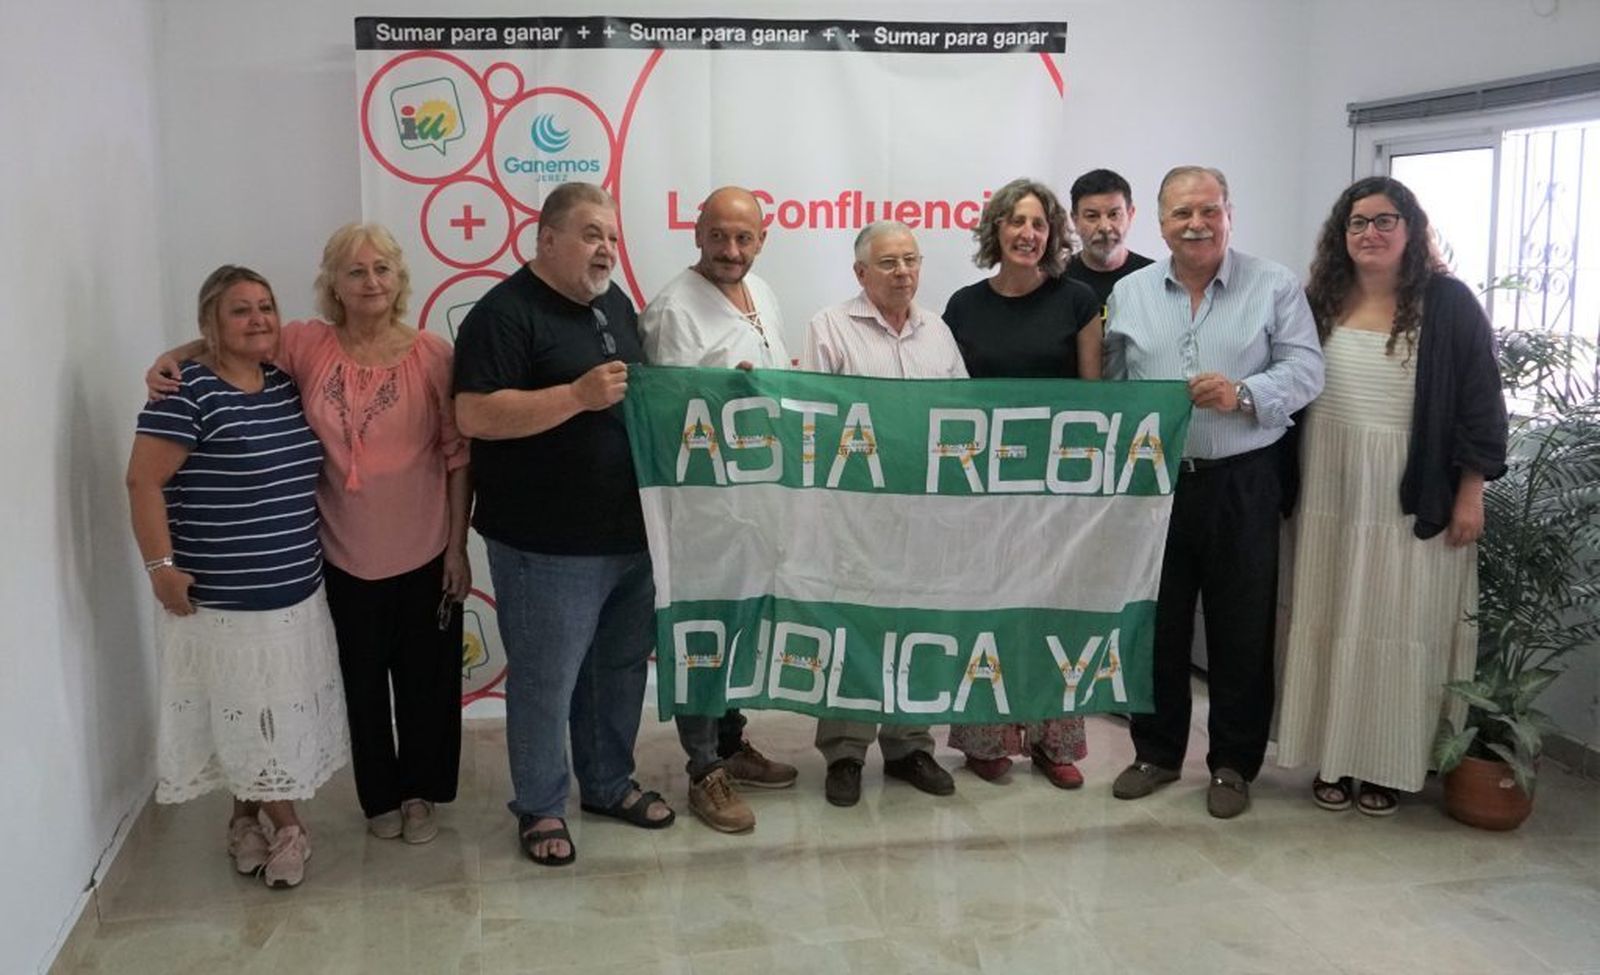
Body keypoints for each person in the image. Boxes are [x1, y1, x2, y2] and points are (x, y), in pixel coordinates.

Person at [146, 225, 471, 846]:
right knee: (359, 683)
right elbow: (239, 343)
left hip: (427, 548)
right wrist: (174, 359)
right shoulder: (305, 343)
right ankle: (378, 794)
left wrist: (457, 548)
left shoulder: (434, 353)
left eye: (382, 269)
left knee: (427, 683)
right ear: (334, 285)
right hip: (338, 554)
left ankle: (419, 793)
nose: (370, 281)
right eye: (355, 271)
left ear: (399, 279)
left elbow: (458, 457)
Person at [453, 181, 673, 866]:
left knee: (616, 673)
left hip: (629, 536)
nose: (605, 246)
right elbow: (475, 415)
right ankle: (543, 806)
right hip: (545, 545)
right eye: (589, 233)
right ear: (546, 239)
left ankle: (607, 782)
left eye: (610, 234)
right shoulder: (504, 314)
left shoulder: (614, 303)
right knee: (546, 682)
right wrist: (575, 397)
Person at [1276, 176, 1508, 815]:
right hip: (1328, 484)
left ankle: (1387, 764)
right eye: (1357, 223)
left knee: (1396, 625)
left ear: (1410, 229)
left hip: (1413, 489)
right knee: (1329, 618)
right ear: (1339, 236)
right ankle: (1333, 754)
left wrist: (1471, 494)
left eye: (1384, 221)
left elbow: (1481, 406)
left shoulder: (1451, 303)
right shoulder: (1317, 299)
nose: (1370, 234)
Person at [1103, 166, 1324, 819]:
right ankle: (1157, 752)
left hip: (1243, 481)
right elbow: (1113, 382)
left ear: (1230, 213)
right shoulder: (1131, 291)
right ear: (1160, 222)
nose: (1195, 224)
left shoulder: (1275, 285)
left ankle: (1232, 763)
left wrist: (1245, 393)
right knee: (1157, 625)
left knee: (1241, 629)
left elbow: (1308, 367)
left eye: (1208, 210)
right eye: (1181, 214)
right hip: (1157, 484)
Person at [127, 265, 349, 889]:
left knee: (253, 713)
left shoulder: (281, 384)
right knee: (255, 712)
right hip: (222, 600)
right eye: (239, 311)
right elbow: (143, 482)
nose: (257, 320)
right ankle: (290, 826)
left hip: (294, 591)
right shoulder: (186, 392)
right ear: (209, 325)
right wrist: (159, 567)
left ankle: (242, 818)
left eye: (265, 308)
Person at [638, 186, 799, 833]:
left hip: (756, 501)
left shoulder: (763, 293)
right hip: (701, 508)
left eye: (744, 237)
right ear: (697, 233)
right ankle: (705, 767)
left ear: (762, 238)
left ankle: (731, 738)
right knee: (703, 631)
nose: (731, 250)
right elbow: (667, 415)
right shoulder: (675, 309)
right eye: (719, 236)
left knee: (740, 625)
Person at [940, 178, 1101, 788]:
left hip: (1056, 486)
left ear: (1051, 234)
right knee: (986, 612)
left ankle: (1053, 742)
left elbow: (1092, 402)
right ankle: (983, 740)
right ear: (996, 231)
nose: (1027, 234)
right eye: (1016, 222)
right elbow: (951, 399)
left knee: (1054, 613)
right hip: (982, 485)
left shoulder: (1077, 300)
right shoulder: (963, 305)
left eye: (1038, 224)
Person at [804, 220, 964, 807]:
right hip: (855, 514)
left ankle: (910, 745)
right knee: (851, 628)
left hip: (923, 516)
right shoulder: (830, 326)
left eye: (911, 261)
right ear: (860, 272)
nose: (903, 273)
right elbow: (814, 420)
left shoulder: (939, 332)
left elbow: (962, 415)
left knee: (917, 624)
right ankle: (845, 752)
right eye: (889, 263)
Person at [1065, 168, 1155, 312]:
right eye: (1092, 216)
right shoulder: (1055, 281)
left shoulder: (1154, 279)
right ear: (1075, 220)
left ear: (1130, 215)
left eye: (1114, 214)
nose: (1105, 227)